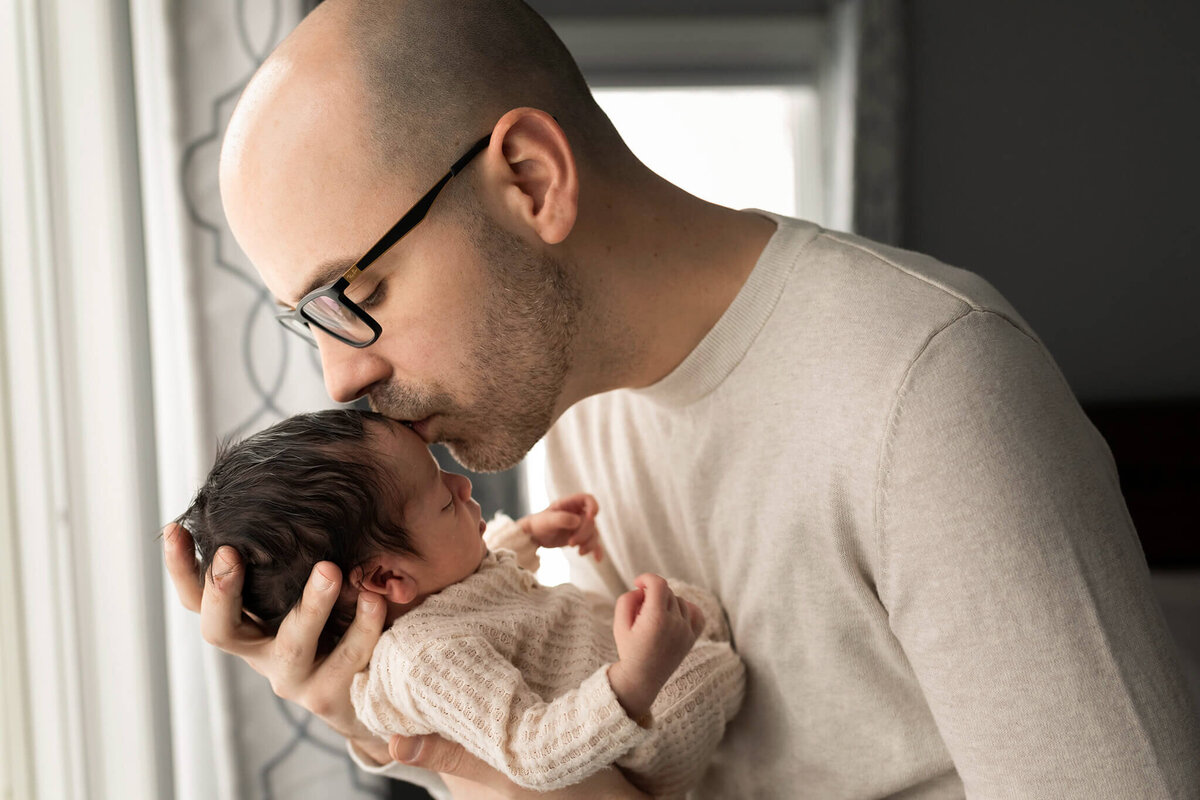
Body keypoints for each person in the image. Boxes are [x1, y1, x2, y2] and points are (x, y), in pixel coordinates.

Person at [161, 0, 1200, 797]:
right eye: (316, 321)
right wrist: (413, 720)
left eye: (363, 292)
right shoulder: (570, 412)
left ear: (529, 177)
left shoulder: (931, 392)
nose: (344, 378)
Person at [177, 408, 744, 797]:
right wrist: (638, 677)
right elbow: (531, 753)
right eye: (442, 500)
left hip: (607, 667)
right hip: (637, 742)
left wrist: (529, 535)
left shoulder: (433, 591)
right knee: (711, 671)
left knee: (687, 607)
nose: (462, 487)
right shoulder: (427, 663)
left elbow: (480, 583)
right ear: (384, 576)